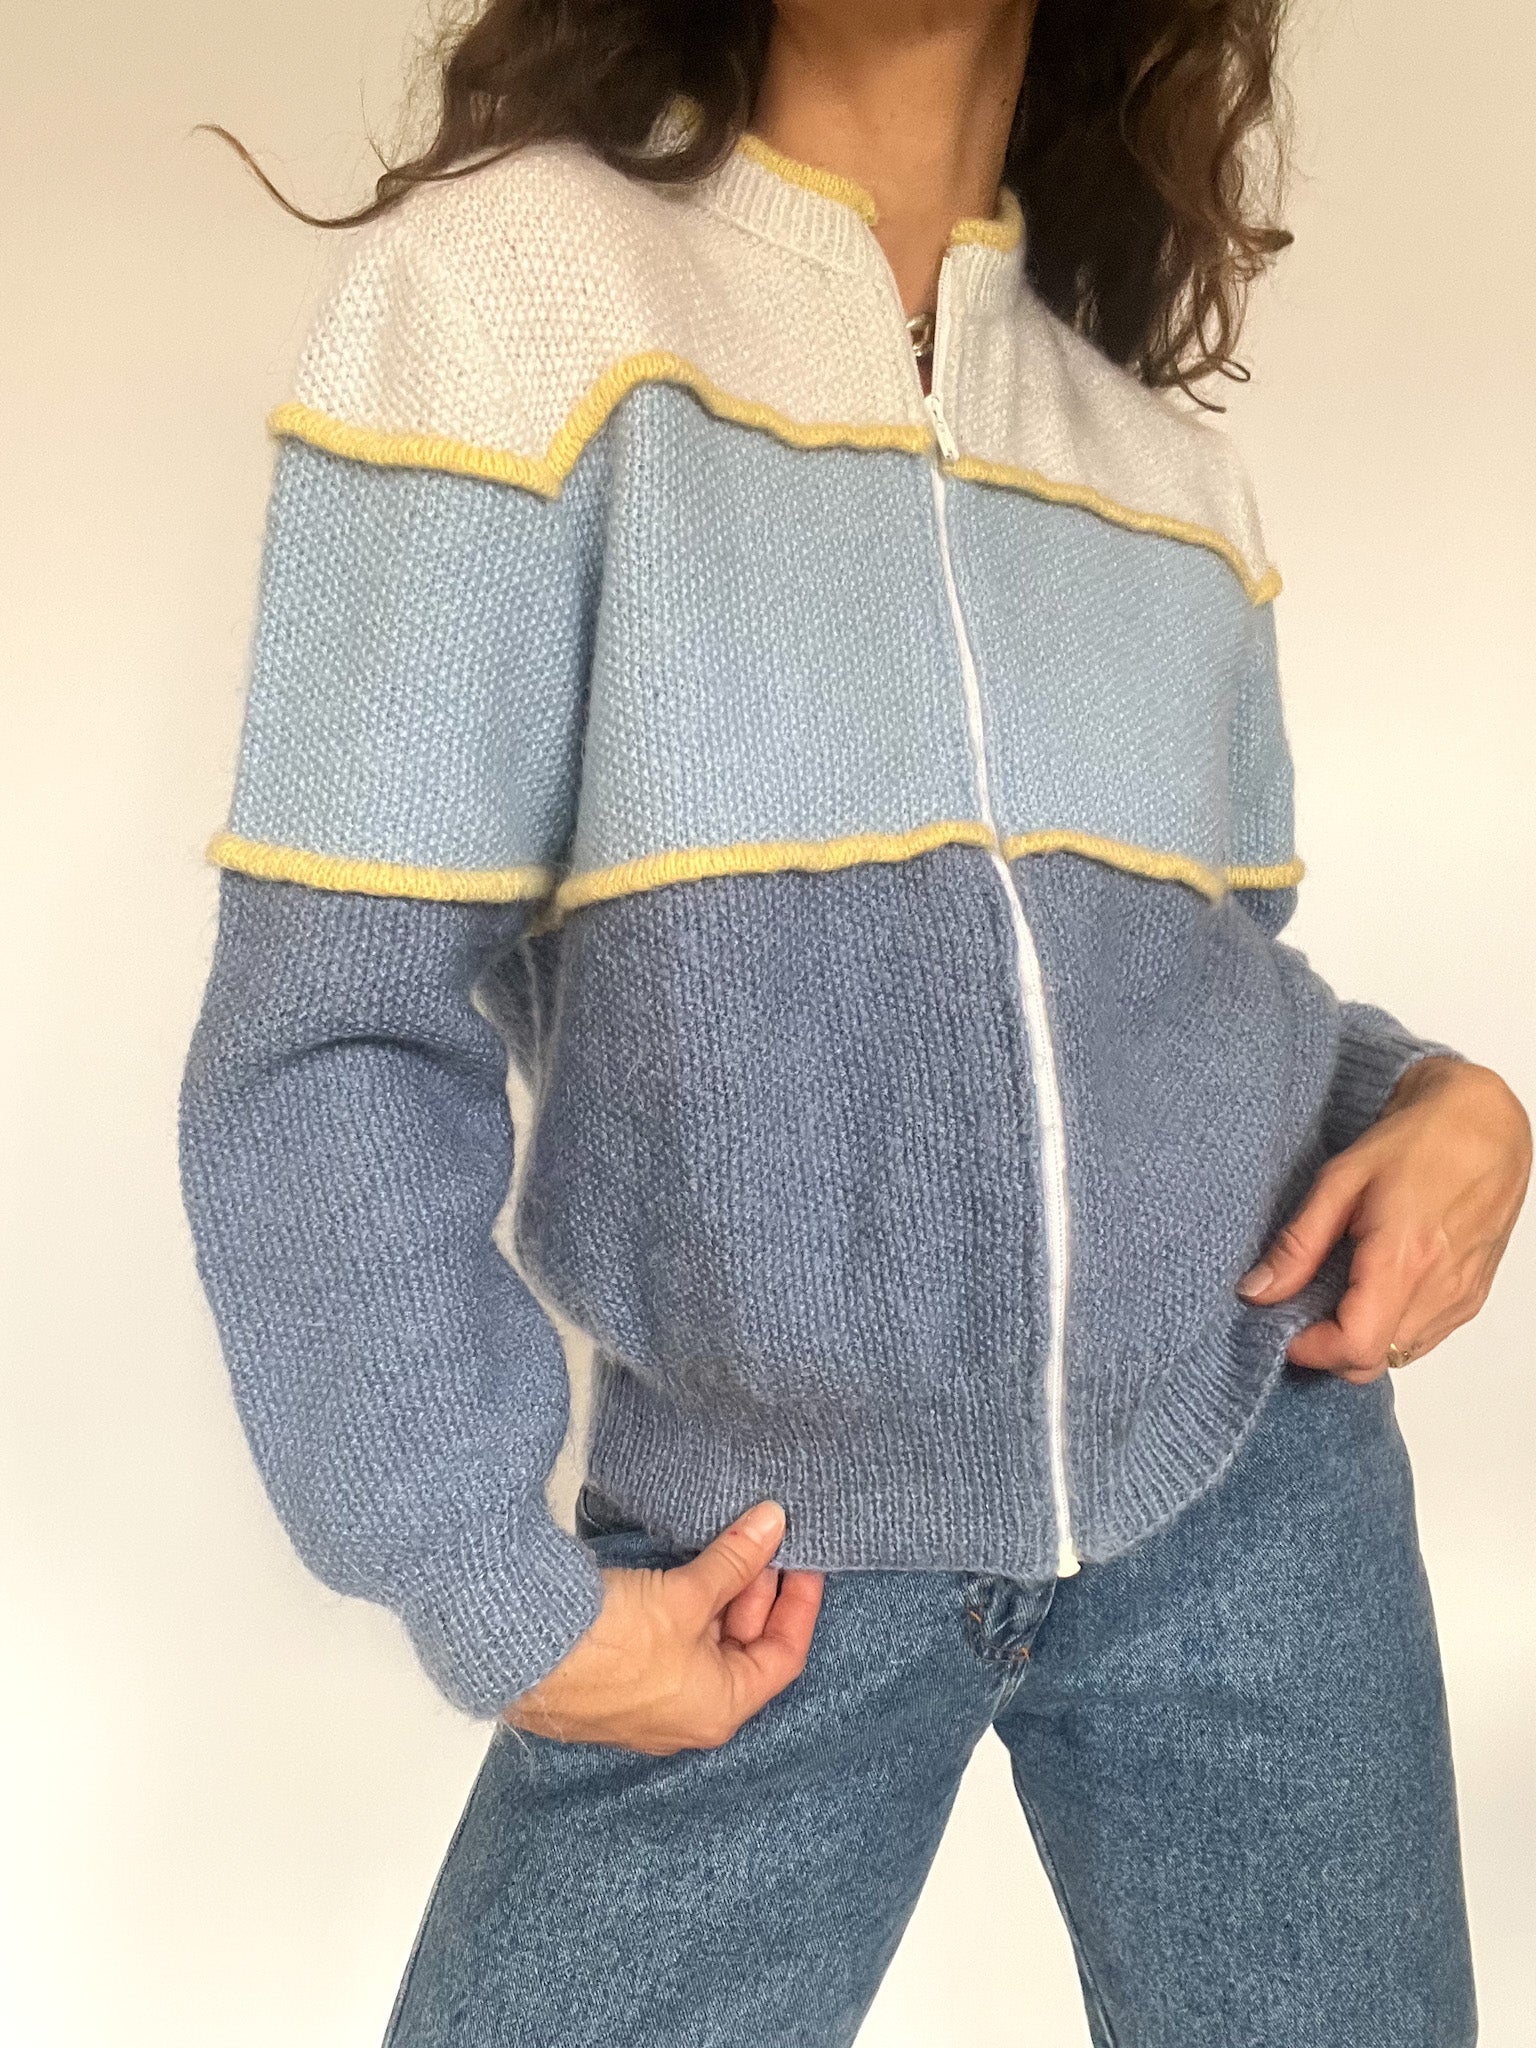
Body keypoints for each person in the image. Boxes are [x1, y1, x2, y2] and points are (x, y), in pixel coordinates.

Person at [181, 2, 1530, 2041]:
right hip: (757, 1564)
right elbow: (331, 1027)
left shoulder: (1158, 462)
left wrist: (1432, 1095)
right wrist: (484, 1583)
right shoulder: (513, 295)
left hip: (1254, 1495)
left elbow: (1172, 1001)